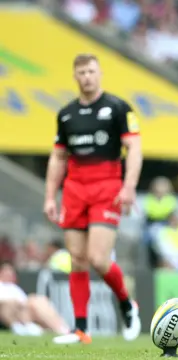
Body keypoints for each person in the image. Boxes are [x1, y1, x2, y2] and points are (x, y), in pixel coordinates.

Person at [42, 54, 143, 345]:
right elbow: (59, 156)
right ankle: (81, 329)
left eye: (91, 71)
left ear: (99, 74)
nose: (87, 76)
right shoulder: (65, 114)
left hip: (106, 187)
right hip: (74, 189)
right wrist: (51, 196)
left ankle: (127, 304)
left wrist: (129, 186)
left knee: (99, 258)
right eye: (81, 72)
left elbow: (134, 148)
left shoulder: (117, 108)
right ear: (75, 76)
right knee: (78, 259)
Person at [0, 262, 70, 336]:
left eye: (11, 273)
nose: (9, 274)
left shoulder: (15, 288)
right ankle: (22, 327)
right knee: (10, 304)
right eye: (6, 272)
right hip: (7, 312)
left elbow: (24, 301)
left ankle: (63, 328)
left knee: (40, 300)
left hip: (24, 312)